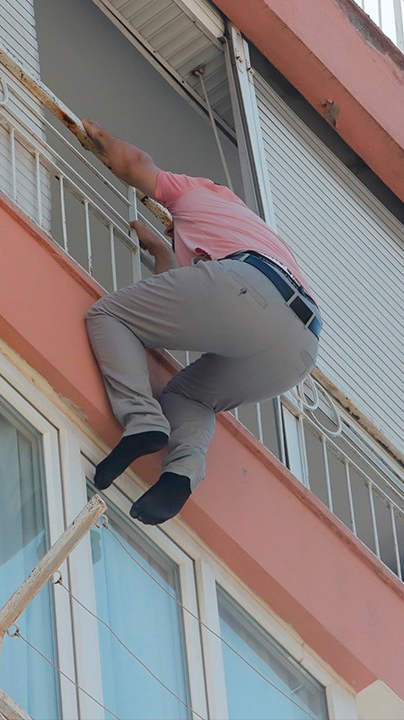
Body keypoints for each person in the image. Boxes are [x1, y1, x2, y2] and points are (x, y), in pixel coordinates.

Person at [81, 119, 322, 525]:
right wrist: (162, 250)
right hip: (300, 350)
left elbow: (135, 164)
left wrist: (100, 137)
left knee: (110, 314)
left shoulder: (195, 192)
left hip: (249, 286)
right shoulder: (252, 233)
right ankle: (183, 472)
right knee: (190, 397)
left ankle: (141, 421)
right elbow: (179, 305)